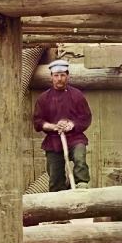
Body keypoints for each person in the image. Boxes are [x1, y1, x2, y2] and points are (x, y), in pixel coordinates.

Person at [32, 59, 92, 191]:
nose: (59, 79)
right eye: (56, 75)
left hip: (75, 137)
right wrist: (53, 126)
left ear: (68, 76)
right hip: (53, 141)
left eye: (63, 75)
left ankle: (81, 185)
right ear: (51, 77)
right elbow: (38, 122)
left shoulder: (77, 95)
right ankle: (58, 198)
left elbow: (86, 117)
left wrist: (71, 124)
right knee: (55, 177)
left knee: (79, 158)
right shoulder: (43, 99)